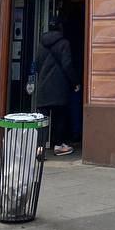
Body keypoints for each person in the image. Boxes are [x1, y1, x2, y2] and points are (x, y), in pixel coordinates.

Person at [34, 19, 79, 156]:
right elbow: (67, 65)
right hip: (59, 87)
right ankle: (58, 146)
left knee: (42, 119)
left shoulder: (41, 44)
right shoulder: (64, 43)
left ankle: (39, 148)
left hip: (43, 87)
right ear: (60, 28)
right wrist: (75, 82)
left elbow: (37, 64)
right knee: (60, 117)